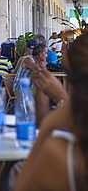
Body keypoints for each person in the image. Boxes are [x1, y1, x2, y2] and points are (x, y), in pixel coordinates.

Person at [14, 33, 88, 191]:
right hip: (22, 91)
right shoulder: (29, 60)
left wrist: (61, 98)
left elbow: (22, 185)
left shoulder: (59, 152)